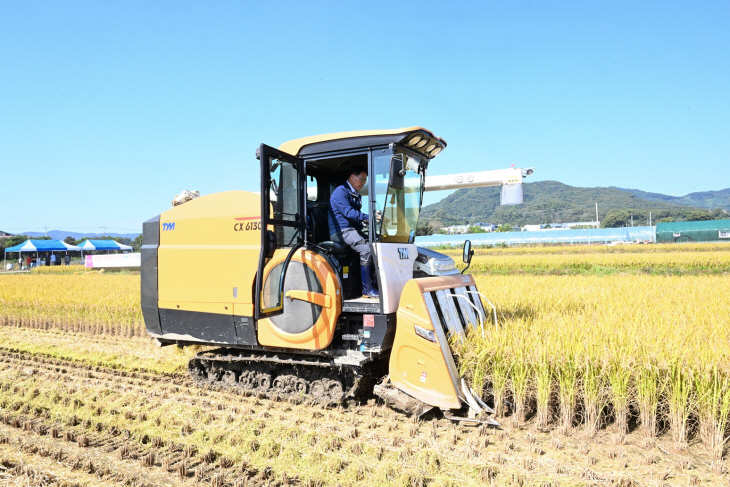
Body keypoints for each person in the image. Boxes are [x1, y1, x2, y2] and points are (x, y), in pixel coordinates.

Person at [328, 166, 380, 298]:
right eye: (361, 179)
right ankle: (367, 290)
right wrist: (368, 217)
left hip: (352, 230)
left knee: (377, 243)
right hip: (341, 231)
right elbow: (348, 213)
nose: (363, 183)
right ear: (352, 177)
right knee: (367, 249)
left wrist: (365, 221)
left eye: (365, 181)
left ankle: (374, 284)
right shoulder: (341, 191)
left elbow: (355, 218)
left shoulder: (356, 195)